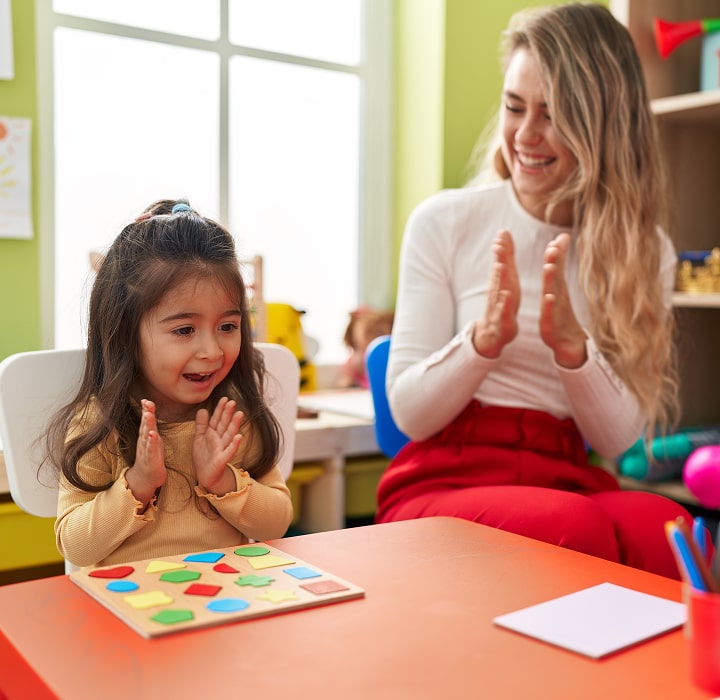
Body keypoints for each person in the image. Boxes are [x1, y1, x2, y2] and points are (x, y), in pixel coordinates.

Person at [375, 3, 696, 580]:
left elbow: (616, 438)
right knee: (576, 529)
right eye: (514, 107)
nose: (526, 135)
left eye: (554, 115)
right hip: (446, 475)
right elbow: (411, 414)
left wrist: (575, 353)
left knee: (666, 530)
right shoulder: (444, 222)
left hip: (564, 472)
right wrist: (480, 344)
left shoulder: (645, 251)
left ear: (603, 125)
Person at [47, 199, 293, 568]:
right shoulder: (100, 423)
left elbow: (278, 522)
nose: (211, 350)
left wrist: (222, 480)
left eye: (228, 326)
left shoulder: (232, 416)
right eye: (184, 330)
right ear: (126, 334)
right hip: (125, 609)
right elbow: (75, 547)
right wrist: (138, 484)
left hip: (225, 600)